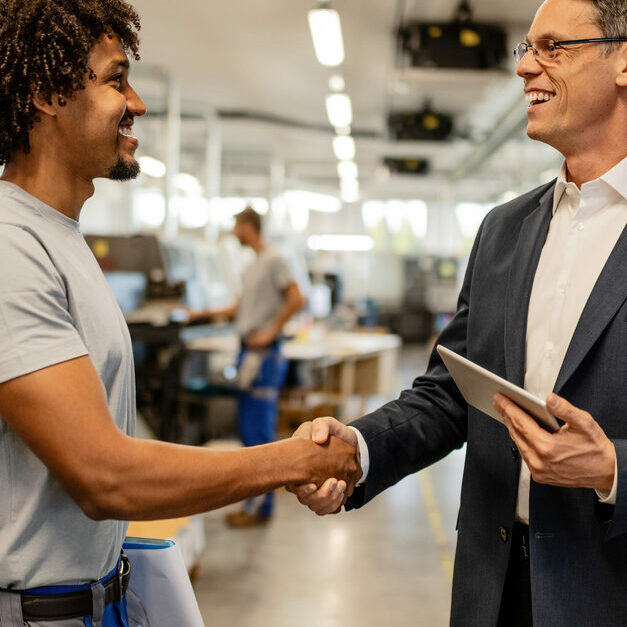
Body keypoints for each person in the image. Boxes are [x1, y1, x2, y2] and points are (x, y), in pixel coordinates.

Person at [0, 2, 361, 625]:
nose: (136, 102)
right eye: (116, 80)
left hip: (95, 599)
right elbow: (103, 475)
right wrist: (297, 460)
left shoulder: (62, 239)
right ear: (47, 94)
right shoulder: (11, 245)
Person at [289, 0, 627, 624]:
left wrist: (612, 469)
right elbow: (450, 394)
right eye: (525, 49)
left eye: (553, 47)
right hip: (493, 587)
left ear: (623, 58)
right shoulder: (503, 230)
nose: (526, 66)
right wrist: (358, 448)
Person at [188, 207, 305, 526]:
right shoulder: (253, 265)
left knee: (258, 433)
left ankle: (261, 509)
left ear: (247, 227)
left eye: (236, 227)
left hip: (263, 355)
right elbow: (241, 307)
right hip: (247, 353)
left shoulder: (273, 260)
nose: (234, 233)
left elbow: (296, 298)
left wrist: (271, 331)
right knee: (247, 431)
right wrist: (201, 315)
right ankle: (253, 505)